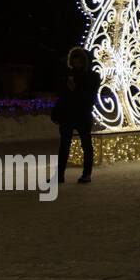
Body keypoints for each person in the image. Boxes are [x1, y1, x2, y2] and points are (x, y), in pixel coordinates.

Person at [52, 47, 99, 184]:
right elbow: (61, 96)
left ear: (84, 63)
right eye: (74, 62)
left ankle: (86, 174)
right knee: (64, 145)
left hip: (83, 115)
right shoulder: (67, 75)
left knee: (86, 144)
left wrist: (76, 88)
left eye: (79, 62)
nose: (76, 65)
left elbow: (90, 97)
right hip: (67, 115)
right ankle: (59, 175)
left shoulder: (92, 76)